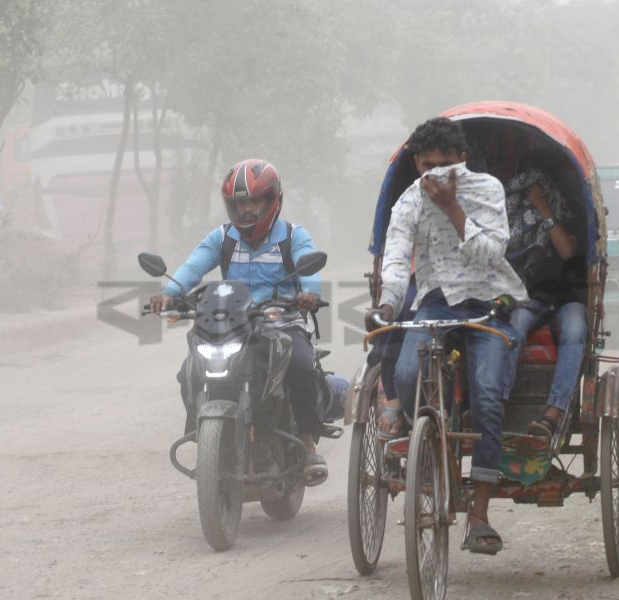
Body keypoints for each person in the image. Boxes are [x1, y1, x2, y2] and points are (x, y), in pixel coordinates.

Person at [365, 117, 527, 555]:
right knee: (404, 372)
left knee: (489, 394)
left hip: (487, 302)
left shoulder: (487, 190)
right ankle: (427, 457)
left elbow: (492, 253)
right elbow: (397, 259)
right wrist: (386, 304)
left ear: (461, 161)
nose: (434, 174)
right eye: (427, 166)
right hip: (435, 303)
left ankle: (479, 515)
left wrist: (455, 208)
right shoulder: (409, 200)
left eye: (444, 165)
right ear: (417, 163)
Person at [149, 158, 329, 486]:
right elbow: (192, 267)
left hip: (282, 322)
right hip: (233, 323)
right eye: (239, 203)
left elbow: (309, 266)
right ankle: (202, 432)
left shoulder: (292, 236)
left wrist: (309, 294)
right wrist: (170, 292)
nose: (246, 210)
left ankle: (307, 443)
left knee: (302, 366)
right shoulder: (223, 238)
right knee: (190, 368)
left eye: (254, 202)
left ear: (273, 200)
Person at [500, 163, 587, 438]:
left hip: (568, 296)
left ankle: (554, 412)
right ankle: (497, 404)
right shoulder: (512, 221)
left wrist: (543, 207)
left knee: (575, 331)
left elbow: (567, 251)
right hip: (529, 296)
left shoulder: (570, 214)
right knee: (512, 331)